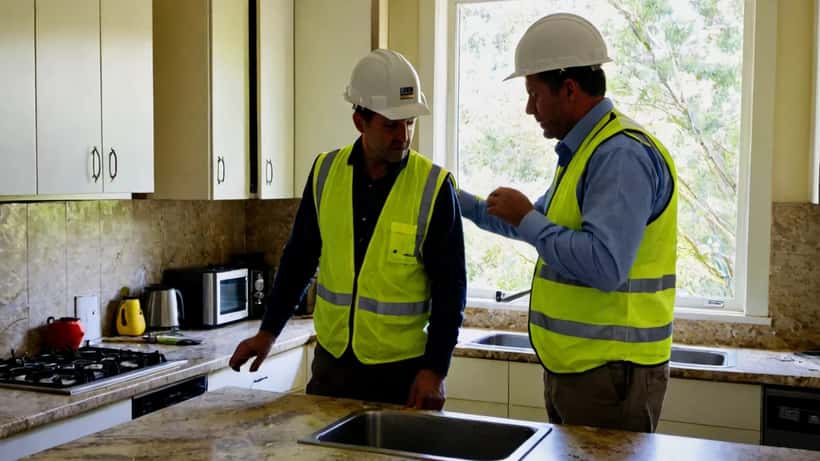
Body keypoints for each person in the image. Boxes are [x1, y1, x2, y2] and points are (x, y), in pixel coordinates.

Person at [459, 13, 677, 432]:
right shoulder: (585, 152)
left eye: (534, 95)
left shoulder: (619, 157)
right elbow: (531, 224)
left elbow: (605, 266)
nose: (529, 109)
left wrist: (526, 217)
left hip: (612, 374)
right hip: (586, 370)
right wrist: (458, 200)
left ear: (570, 89)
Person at [230, 49, 466, 410]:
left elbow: (451, 290)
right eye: (391, 124)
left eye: (410, 122)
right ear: (360, 121)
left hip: (402, 374)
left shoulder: (434, 187)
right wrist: (268, 332)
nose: (403, 136)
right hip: (333, 366)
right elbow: (299, 260)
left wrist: (436, 369)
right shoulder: (326, 173)